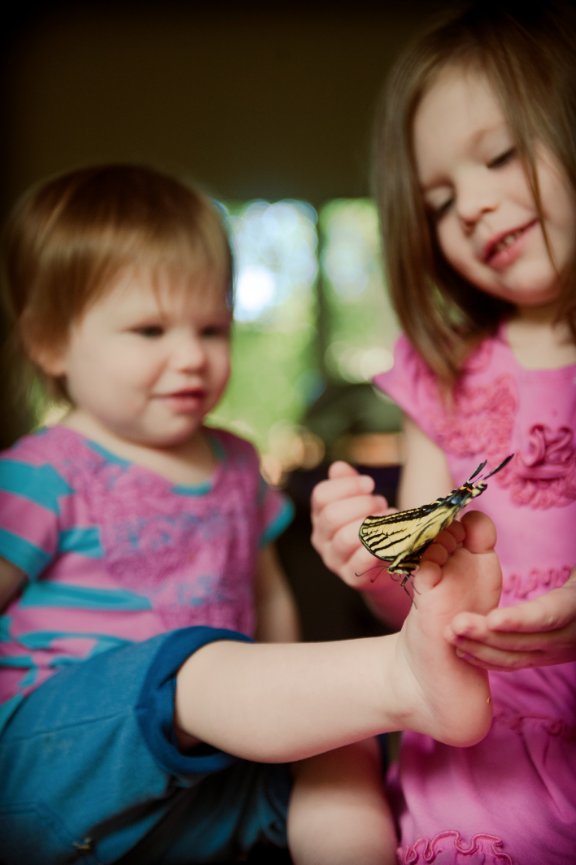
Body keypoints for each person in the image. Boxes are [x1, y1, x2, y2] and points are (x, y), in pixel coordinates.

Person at [0, 163, 503, 865]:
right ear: (50, 342)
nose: (190, 357)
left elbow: (265, 593)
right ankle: (400, 677)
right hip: (62, 759)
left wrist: (299, 701)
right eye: (150, 330)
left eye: (211, 328)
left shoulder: (236, 462)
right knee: (190, 668)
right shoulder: (42, 468)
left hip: (198, 781)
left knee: (338, 739)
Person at [311, 1, 576, 862]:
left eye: (500, 155)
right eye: (438, 200)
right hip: (479, 746)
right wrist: (372, 553)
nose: (471, 207)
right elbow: (421, 592)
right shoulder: (444, 375)